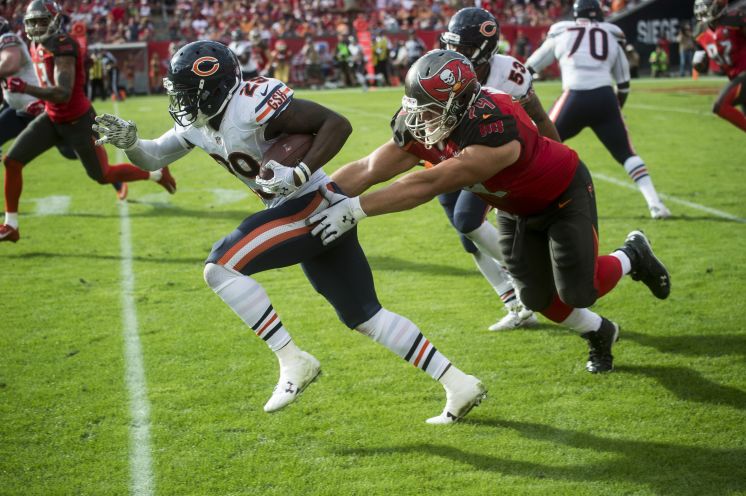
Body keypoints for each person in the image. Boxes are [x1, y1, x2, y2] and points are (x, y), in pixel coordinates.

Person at [93, 40, 486, 425]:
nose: (180, 101)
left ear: (212, 88)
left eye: (186, 92)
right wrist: (131, 144)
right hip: (303, 209)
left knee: (221, 266)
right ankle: (459, 382)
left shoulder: (250, 105)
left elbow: (335, 124)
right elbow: (155, 155)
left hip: (311, 202)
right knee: (365, 315)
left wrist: (300, 169)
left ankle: (292, 359)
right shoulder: (198, 124)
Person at [309, 50, 672, 374]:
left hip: (561, 195)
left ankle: (632, 254)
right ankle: (600, 331)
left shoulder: (492, 128)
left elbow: (426, 184)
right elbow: (369, 167)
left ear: (458, 104)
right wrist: (318, 196)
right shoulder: (435, 118)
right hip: (515, 208)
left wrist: (354, 210)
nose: (419, 118)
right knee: (535, 298)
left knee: (579, 291)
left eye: (430, 109)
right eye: (417, 105)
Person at [0, 0, 176, 243]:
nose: (38, 26)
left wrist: (25, 87)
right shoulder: (35, 44)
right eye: (33, 22)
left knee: (102, 175)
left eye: (43, 20)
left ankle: (156, 174)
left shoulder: (62, 44)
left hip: (78, 121)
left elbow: (63, 92)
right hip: (51, 117)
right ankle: (11, 225)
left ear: (54, 20)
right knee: (12, 161)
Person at [435, 7, 563, 330]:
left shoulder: (510, 74)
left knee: (467, 219)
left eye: (463, 49)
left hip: (498, 157)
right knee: (468, 236)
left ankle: (531, 273)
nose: (454, 54)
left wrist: (561, 161)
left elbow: (541, 119)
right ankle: (514, 303)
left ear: (484, 49)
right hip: (454, 154)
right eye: (452, 45)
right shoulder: (443, 69)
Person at [526, 0, 671, 220]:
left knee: (538, 146)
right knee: (627, 154)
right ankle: (656, 204)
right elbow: (623, 83)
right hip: (605, 98)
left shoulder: (562, 33)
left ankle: (527, 201)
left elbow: (528, 67)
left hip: (573, 97)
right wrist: (615, 109)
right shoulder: (611, 36)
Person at [0, 15, 75, 162]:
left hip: (36, 106)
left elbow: (11, 63)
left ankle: (116, 179)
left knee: (71, 151)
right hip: (20, 109)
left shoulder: (7, 38)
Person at [694, 0, 746, 133]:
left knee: (720, 106)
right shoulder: (700, 32)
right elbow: (701, 62)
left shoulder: (735, 19)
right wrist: (700, 64)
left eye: (707, 4)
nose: (703, 8)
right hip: (736, 76)